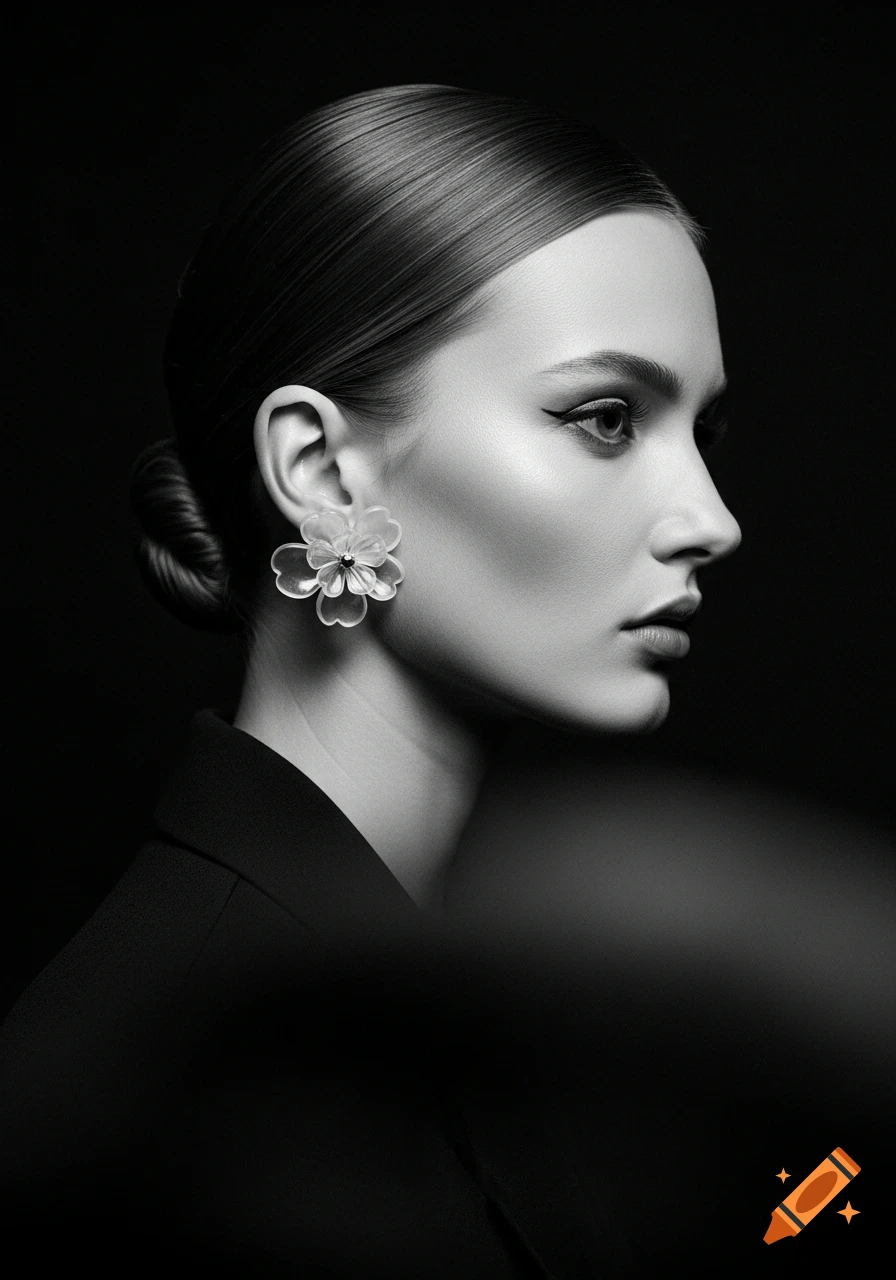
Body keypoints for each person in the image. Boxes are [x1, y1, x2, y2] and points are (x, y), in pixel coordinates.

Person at [0, 84, 743, 1275]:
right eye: (605, 417)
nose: (711, 520)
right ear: (323, 469)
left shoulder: (530, 985)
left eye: (701, 433)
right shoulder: (163, 1089)